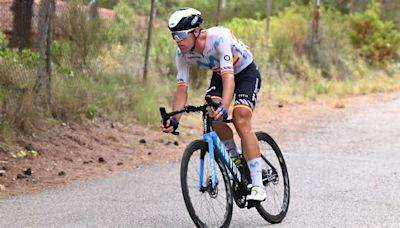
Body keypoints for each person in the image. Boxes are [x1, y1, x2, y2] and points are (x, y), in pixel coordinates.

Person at [160, 7, 265, 201]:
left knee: (240, 117)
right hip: (220, 75)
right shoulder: (182, 54)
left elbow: (229, 78)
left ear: (196, 31)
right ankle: (235, 157)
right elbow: (182, 89)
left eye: (182, 35)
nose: (178, 40)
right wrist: (174, 119)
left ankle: (258, 185)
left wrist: (225, 107)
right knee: (211, 113)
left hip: (244, 73)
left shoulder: (218, 37)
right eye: (174, 35)